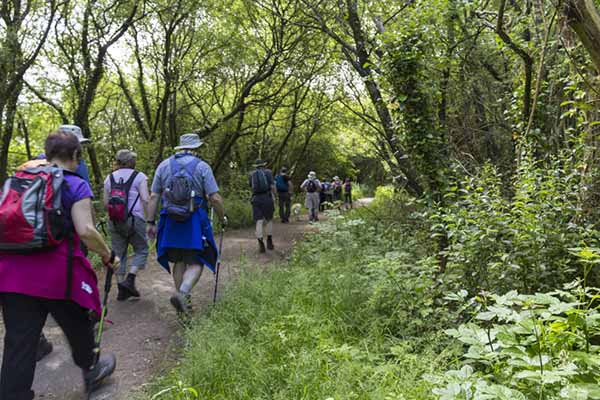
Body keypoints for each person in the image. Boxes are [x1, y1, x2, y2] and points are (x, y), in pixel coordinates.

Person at [0, 130, 120, 399]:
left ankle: (12, 394)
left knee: (19, 342)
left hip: (11, 276)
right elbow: (87, 231)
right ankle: (92, 369)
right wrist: (108, 255)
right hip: (57, 277)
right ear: (76, 155)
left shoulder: (19, 181)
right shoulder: (75, 184)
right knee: (77, 323)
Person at [146, 133, 226, 315]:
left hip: (170, 220)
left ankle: (183, 303)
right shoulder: (202, 167)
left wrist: (150, 222)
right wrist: (223, 217)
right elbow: (214, 197)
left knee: (179, 260)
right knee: (197, 260)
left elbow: (153, 196)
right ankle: (182, 294)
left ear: (180, 148)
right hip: (194, 220)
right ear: (196, 148)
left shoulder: (164, 165)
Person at [33, 124, 92, 362]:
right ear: (75, 151)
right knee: (71, 305)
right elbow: (84, 219)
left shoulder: (29, 169)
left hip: (20, 252)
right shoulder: (74, 170)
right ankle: (91, 368)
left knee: (21, 329)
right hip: (59, 252)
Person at [103, 149, 149, 301]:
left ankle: (121, 288)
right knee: (142, 249)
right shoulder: (139, 176)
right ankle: (130, 279)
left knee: (118, 254)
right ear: (130, 162)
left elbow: (105, 203)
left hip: (115, 221)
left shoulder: (109, 178)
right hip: (136, 219)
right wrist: (150, 220)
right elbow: (145, 199)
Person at [250, 159, 276, 253]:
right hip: (267, 198)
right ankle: (269, 241)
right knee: (269, 219)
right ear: (264, 165)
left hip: (256, 199)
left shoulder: (252, 174)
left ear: (256, 166)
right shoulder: (269, 172)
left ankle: (261, 243)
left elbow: (251, 187)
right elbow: (273, 186)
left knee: (259, 221)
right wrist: (274, 196)